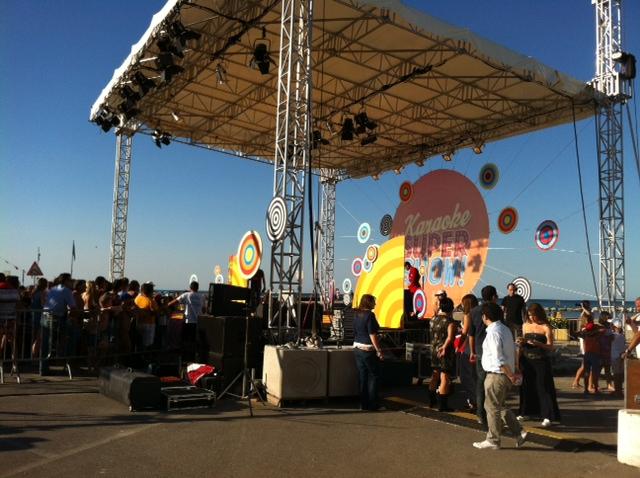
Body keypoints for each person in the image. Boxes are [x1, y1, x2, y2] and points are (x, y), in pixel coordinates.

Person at [472, 302, 528, 450]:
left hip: (496, 374)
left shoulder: (493, 333)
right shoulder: (505, 329)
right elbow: (512, 351)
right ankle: (519, 432)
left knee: (491, 407)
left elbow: (499, 358)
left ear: (485, 316)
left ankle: (493, 439)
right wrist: (514, 371)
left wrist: (511, 375)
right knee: (499, 406)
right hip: (504, 374)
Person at [516, 303, 561, 427]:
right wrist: (518, 358)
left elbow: (551, 347)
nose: (532, 318)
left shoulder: (546, 327)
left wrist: (538, 343)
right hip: (526, 359)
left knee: (543, 387)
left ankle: (547, 415)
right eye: (529, 315)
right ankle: (525, 412)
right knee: (526, 386)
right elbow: (521, 344)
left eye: (534, 315)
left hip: (541, 360)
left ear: (539, 314)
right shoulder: (525, 325)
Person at [469, 285, 499, 427]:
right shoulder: (496, 310)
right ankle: (492, 413)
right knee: (494, 383)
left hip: (479, 350)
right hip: (493, 350)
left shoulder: (474, 311)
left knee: (480, 383)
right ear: (493, 296)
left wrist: (472, 351)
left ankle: (480, 414)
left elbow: (471, 334)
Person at [41, 273, 78, 375]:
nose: (72, 282)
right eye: (70, 280)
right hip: (56, 318)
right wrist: (75, 317)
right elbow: (73, 307)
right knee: (70, 338)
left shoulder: (53, 289)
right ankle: (68, 363)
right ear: (66, 281)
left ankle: (43, 368)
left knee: (46, 344)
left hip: (45, 316)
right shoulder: (66, 291)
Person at [352, 294, 384, 411]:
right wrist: (379, 350)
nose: (375, 304)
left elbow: (355, 331)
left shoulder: (356, 314)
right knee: (374, 376)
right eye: (373, 302)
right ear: (368, 303)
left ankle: (363, 404)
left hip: (357, 348)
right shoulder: (370, 315)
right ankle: (373, 404)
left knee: (363, 376)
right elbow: (372, 334)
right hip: (367, 349)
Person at [428, 297, 456, 411]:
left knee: (435, 375)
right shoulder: (450, 322)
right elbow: (450, 337)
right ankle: (443, 405)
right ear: (451, 308)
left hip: (434, 350)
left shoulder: (433, 319)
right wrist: (444, 347)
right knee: (444, 377)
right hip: (445, 351)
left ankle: (432, 400)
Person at [167, 281, 205, 361]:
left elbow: (172, 303)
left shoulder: (186, 295)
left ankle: (185, 359)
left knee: (185, 341)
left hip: (188, 322)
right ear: (198, 288)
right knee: (195, 341)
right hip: (198, 323)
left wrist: (165, 307)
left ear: (190, 288)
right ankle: (194, 358)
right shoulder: (202, 296)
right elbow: (204, 309)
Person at [456, 293, 479, 411]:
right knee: (475, 376)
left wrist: (458, 346)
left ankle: (473, 401)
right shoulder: (479, 313)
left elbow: (465, 333)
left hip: (468, 347)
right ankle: (475, 401)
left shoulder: (468, 315)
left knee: (465, 376)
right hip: (478, 346)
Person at [577, 313, 604, 394]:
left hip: (587, 354)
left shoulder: (585, 333)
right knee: (595, 373)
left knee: (586, 372)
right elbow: (603, 329)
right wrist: (596, 330)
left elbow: (579, 333)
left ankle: (586, 389)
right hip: (595, 354)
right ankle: (595, 388)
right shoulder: (596, 332)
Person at [572, 301, 592, 389]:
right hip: (584, 335)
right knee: (584, 364)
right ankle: (576, 382)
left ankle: (576, 381)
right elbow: (588, 314)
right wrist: (583, 307)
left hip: (586, 334)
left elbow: (589, 314)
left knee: (584, 364)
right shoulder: (584, 313)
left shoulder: (585, 312)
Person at [134, 282, 159, 349]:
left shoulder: (137, 299)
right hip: (149, 324)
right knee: (148, 344)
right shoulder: (151, 301)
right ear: (151, 291)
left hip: (138, 323)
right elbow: (155, 313)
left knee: (139, 342)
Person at [610, 319, 626, 398]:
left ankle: (617, 392)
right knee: (620, 375)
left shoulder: (612, 335)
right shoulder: (622, 336)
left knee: (616, 375)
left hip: (615, 357)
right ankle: (619, 391)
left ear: (615, 327)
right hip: (622, 356)